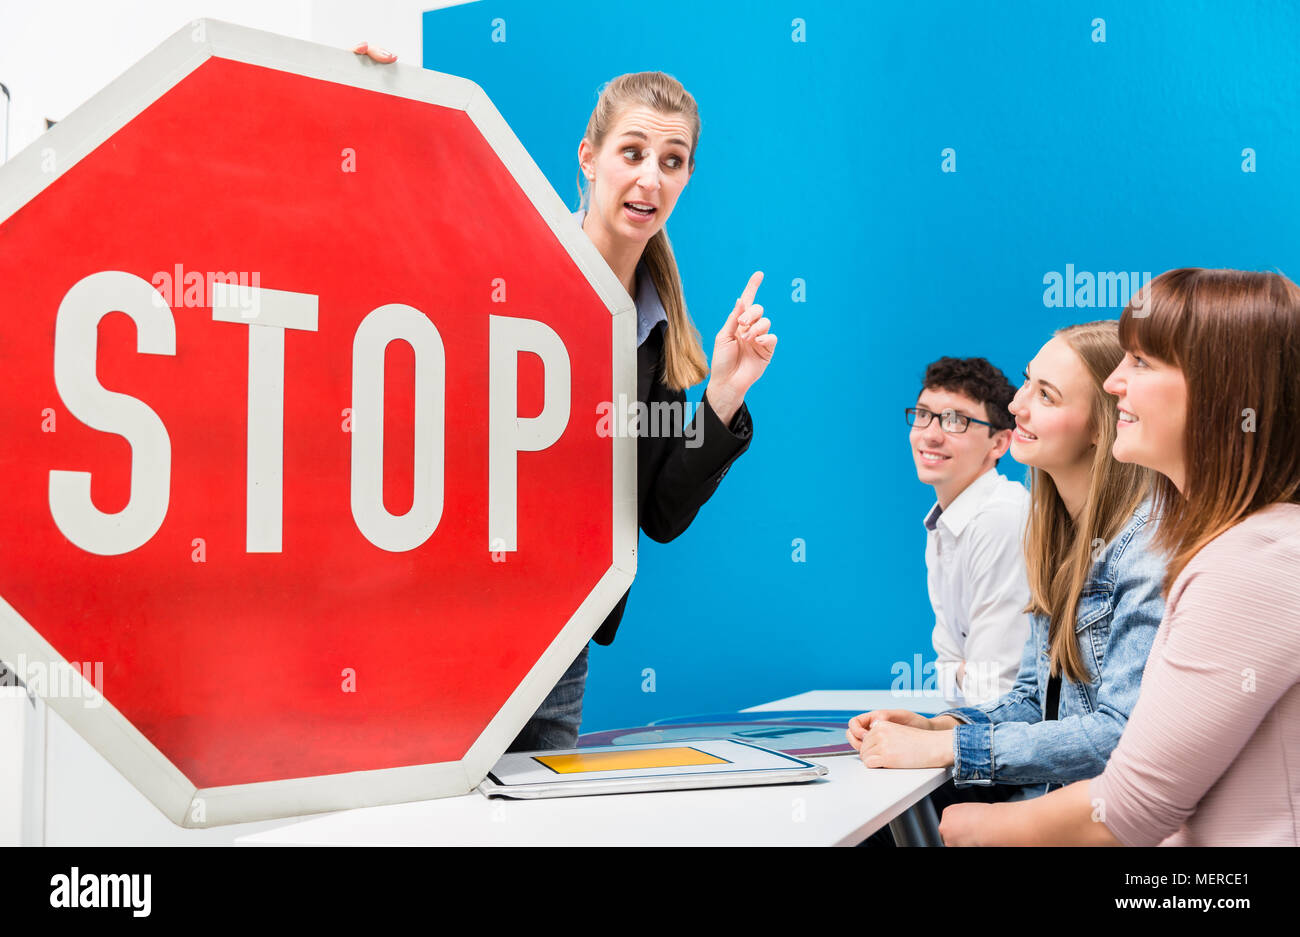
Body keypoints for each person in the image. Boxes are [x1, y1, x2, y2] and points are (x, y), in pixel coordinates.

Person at [353, 46, 778, 752]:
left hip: (558, 643)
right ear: (589, 155)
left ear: (687, 178)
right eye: (632, 152)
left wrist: (724, 396)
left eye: (671, 162)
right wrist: (375, 97)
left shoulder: (658, 337)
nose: (649, 178)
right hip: (446, 620)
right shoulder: (509, 274)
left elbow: (660, 513)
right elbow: (398, 251)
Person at [940, 268, 1300, 846]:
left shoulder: (1254, 560)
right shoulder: (1231, 545)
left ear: (1219, 391)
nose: (1114, 384)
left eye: (1141, 363)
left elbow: (1133, 806)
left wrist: (978, 825)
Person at [849, 321, 1165, 829]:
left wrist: (950, 745)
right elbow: (1035, 699)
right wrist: (941, 724)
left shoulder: (1145, 549)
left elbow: (1119, 733)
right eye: (1026, 383)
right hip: (1058, 802)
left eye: (1047, 395)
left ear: (1104, 425)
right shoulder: (1056, 537)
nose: (1017, 406)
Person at [905, 356, 1031, 708]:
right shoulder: (944, 522)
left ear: (999, 444)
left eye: (956, 420)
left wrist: (965, 673)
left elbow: (994, 691)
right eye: (923, 414)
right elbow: (947, 670)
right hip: (979, 731)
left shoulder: (1001, 517)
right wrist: (962, 672)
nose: (930, 433)